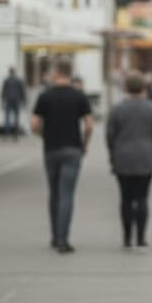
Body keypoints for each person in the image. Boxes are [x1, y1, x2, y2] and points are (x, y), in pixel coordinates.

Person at [31, 59, 95, 254]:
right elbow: (89, 124)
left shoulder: (45, 97)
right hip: (72, 149)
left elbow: (34, 124)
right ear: (70, 73)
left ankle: (54, 235)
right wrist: (85, 143)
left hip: (51, 149)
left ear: (56, 73)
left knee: (54, 193)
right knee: (67, 194)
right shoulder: (79, 96)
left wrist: (44, 135)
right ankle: (63, 239)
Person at [106, 72, 152, 248]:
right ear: (143, 88)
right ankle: (141, 238)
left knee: (125, 198)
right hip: (146, 158)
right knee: (142, 198)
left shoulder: (117, 109)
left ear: (126, 88)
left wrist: (113, 154)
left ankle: (126, 237)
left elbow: (110, 135)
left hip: (123, 158)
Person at [0, 67, 27, 141]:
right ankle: (16, 135)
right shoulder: (18, 80)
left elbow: (3, 91)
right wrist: (24, 101)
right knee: (16, 118)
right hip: (16, 100)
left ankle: (6, 135)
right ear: (14, 72)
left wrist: (2, 101)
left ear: (9, 72)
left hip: (8, 100)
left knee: (7, 118)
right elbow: (22, 91)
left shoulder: (6, 80)